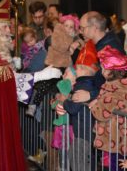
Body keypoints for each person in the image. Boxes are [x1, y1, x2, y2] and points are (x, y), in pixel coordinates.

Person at [0, 0, 61, 171]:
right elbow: (6, 83)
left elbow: (1, 80)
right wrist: (39, 76)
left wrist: (11, 68)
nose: (9, 31)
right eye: (4, 27)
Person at [89, 45, 127, 171]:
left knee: (111, 165)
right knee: (120, 164)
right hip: (124, 137)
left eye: (104, 68)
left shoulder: (109, 89)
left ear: (112, 71)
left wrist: (94, 105)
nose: (102, 71)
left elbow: (101, 112)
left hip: (110, 137)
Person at [56, 41, 99, 171]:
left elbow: (74, 108)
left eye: (79, 68)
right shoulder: (90, 84)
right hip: (86, 131)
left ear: (86, 70)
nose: (76, 70)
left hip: (82, 132)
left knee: (78, 162)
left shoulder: (82, 85)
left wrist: (64, 100)